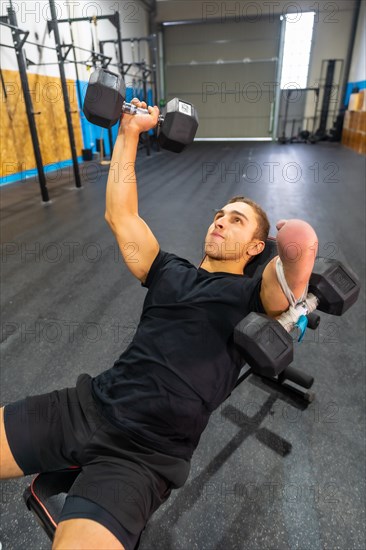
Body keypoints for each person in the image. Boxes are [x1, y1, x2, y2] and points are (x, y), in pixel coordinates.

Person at [0, 99, 318, 550]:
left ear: (254, 248)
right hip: (84, 406)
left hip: (143, 457)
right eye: (219, 215)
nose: (220, 223)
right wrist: (129, 132)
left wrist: (291, 238)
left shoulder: (252, 299)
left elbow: (297, 255)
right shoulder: (168, 269)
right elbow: (121, 216)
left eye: (236, 221)